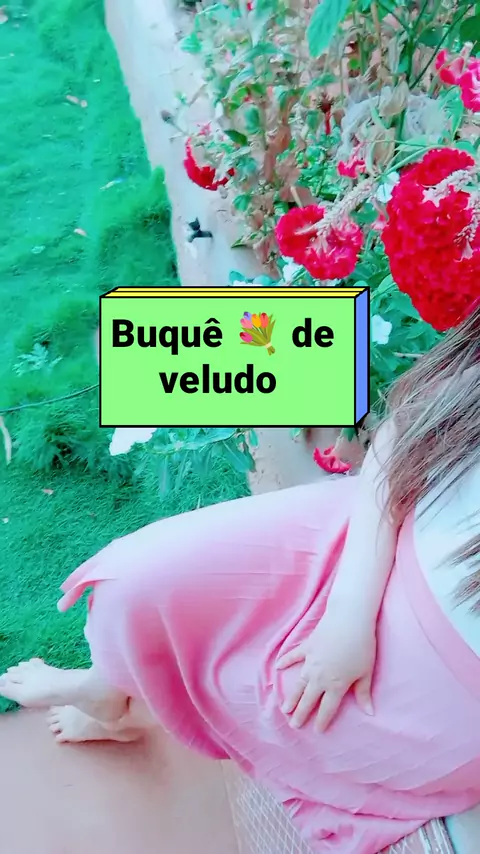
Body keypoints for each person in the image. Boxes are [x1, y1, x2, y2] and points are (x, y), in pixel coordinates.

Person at [1, 300, 479, 854]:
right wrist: (350, 611)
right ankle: (106, 690)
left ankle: (129, 699)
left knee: (286, 706)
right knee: (139, 586)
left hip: (448, 678)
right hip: (378, 526)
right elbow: (407, 431)